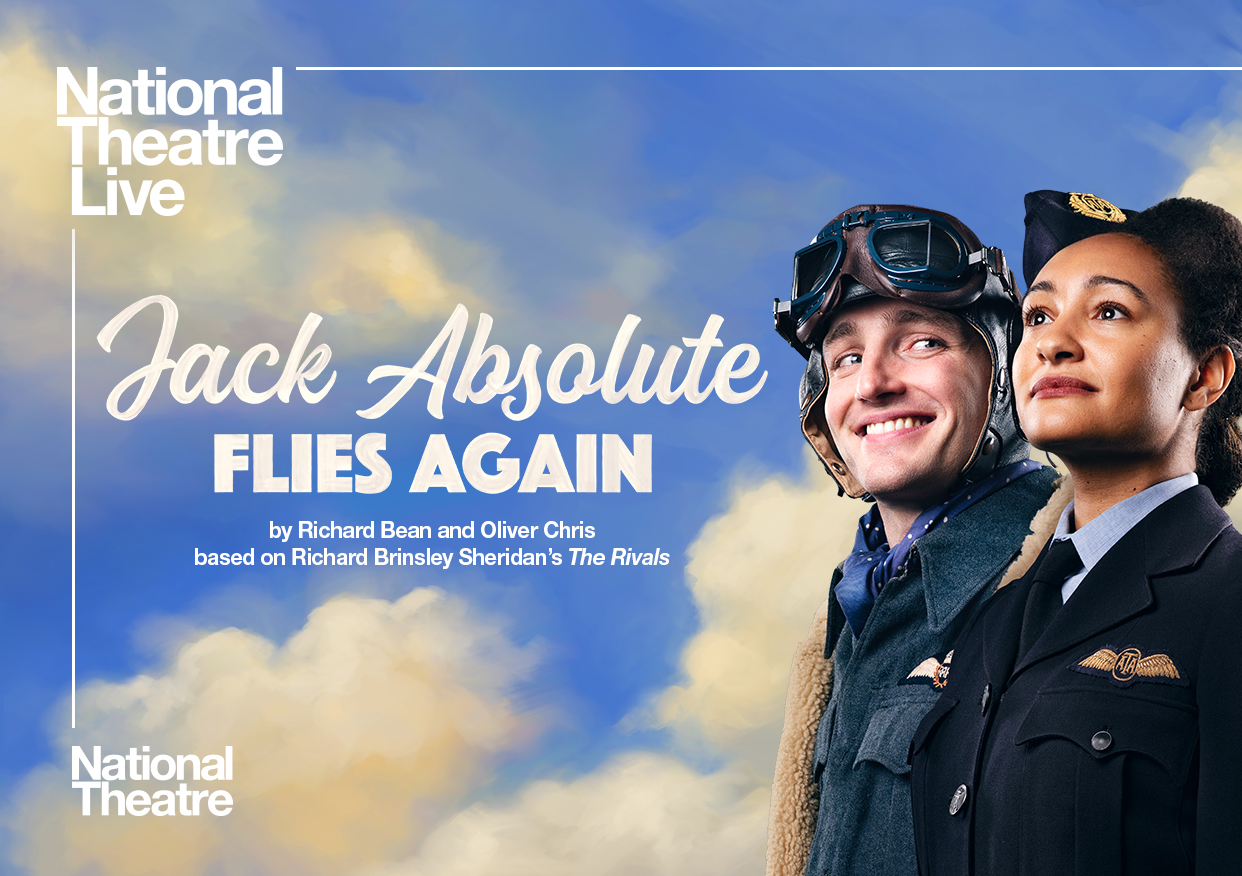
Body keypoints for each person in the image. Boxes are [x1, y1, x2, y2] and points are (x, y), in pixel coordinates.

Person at [909, 191, 1242, 876]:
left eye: (1110, 311)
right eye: (1038, 315)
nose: (1054, 342)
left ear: (1205, 376)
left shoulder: (1228, 600)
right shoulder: (989, 621)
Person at [766, 205, 1062, 876]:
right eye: (845, 357)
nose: (872, 383)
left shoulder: (1080, 576)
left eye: (922, 342)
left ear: (1006, 370)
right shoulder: (844, 620)